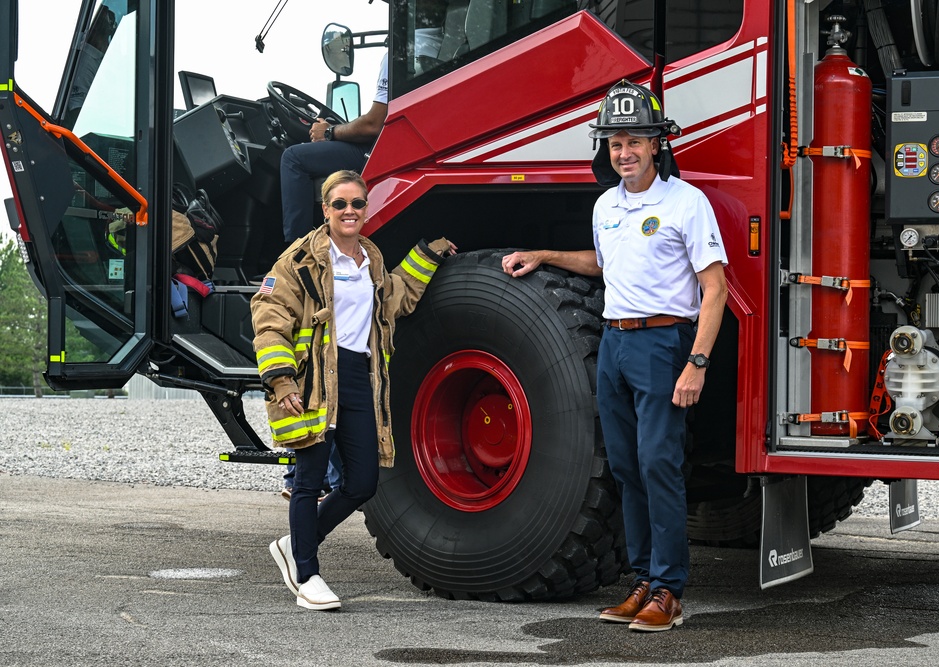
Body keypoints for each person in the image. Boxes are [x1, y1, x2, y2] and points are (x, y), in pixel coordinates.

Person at [501, 80, 728, 632]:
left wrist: (696, 363)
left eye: (633, 142)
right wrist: (544, 255)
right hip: (615, 342)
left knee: (658, 463)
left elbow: (715, 288)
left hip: (662, 342)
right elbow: (606, 266)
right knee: (626, 465)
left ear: (657, 145)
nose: (623, 153)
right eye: (614, 143)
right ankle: (644, 581)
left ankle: (670, 591)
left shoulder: (685, 202)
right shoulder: (606, 205)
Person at [251, 169, 456, 610]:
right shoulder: (299, 260)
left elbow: (395, 298)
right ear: (325, 210)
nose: (349, 211)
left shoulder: (371, 258)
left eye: (357, 204)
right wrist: (281, 378)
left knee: (362, 482)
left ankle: (295, 543)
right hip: (312, 379)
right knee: (309, 479)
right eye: (339, 204)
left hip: (360, 376)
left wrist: (429, 254)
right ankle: (307, 574)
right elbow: (268, 314)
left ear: (366, 208)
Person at [279, 55, 389, 242]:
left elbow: (373, 124)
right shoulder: (426, 51)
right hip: (389, 143)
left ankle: (298, 253)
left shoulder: (395, 55)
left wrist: (329, 132)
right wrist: (337, 129)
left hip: (381, 148)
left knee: (293, 158)